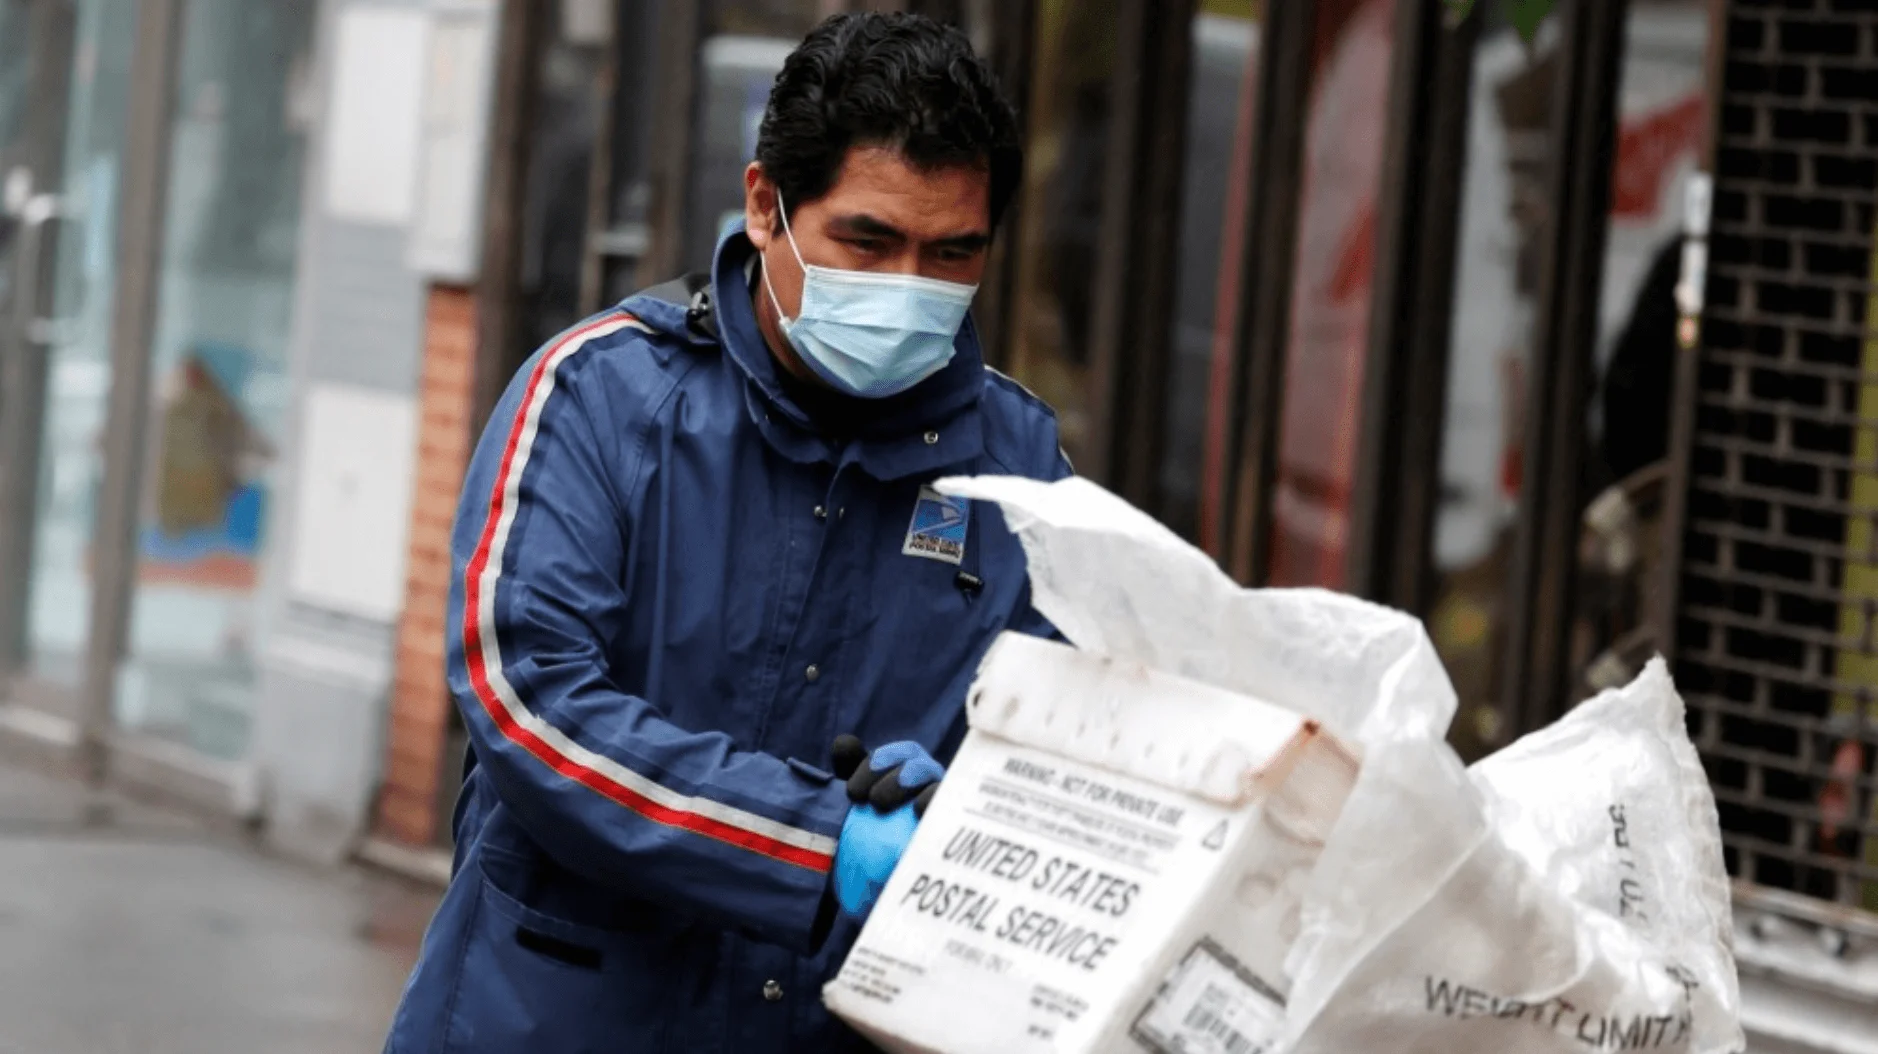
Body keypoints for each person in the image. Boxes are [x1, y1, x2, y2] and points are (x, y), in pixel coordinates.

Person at [381, 13, 1067, 1053]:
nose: (907, 287)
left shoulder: (1017, 469)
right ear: (764, 204)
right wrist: (818, 844)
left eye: (951, 253)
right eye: (867, 242)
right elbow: (530, 701)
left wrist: (966, 808)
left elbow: (1060, 750)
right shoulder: (599, 399)